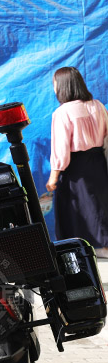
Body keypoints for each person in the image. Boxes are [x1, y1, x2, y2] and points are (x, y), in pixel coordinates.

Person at [46, 67, 108, 257]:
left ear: (63, 86)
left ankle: (78, 250)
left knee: (76, 209)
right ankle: (104, 246)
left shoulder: (63, 112)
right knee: (99, 205)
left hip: (75, 168)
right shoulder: (98, 105)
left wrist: (53, 176)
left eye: (55, 84)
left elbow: (61, 149)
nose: (54, 88)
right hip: (98, 163)